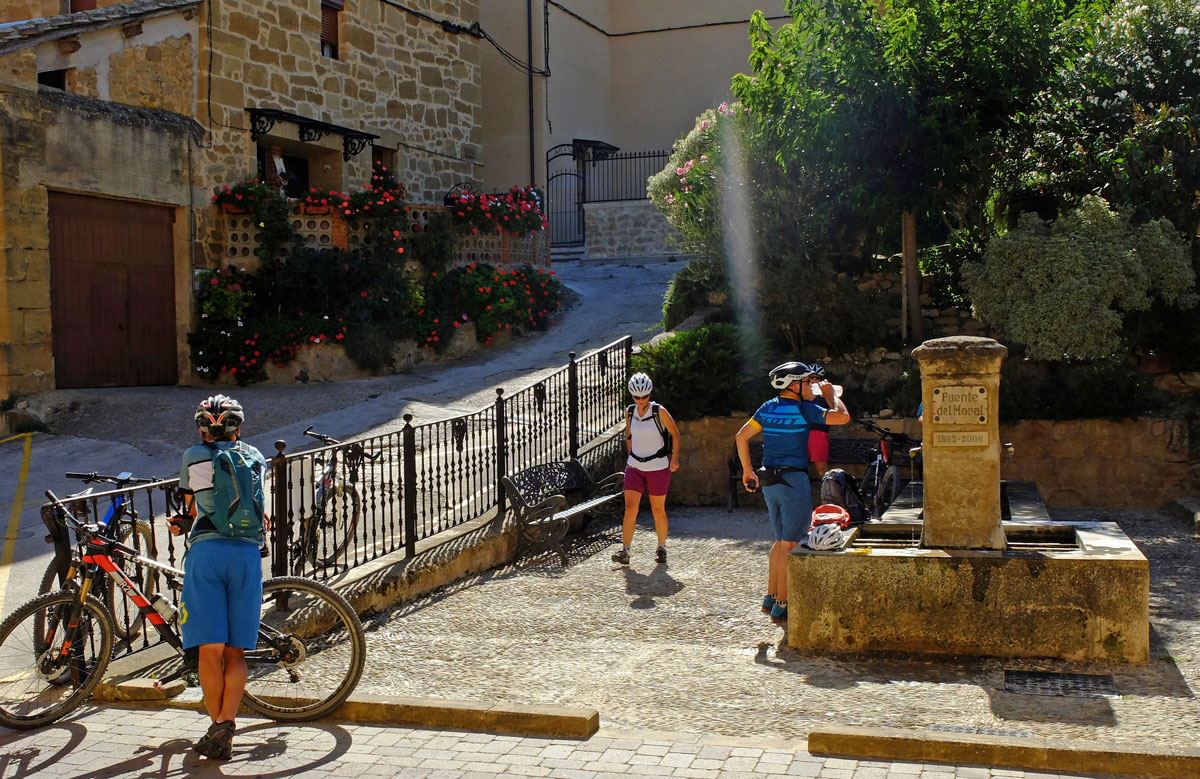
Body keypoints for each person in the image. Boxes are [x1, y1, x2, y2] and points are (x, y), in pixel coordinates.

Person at [169, 394, 268, 761]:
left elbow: (192, 506)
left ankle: (220, 728)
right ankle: (226, 723)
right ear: (237, 428)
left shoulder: (194, 456)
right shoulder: (255, 456)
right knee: (235, 652)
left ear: (202, 430)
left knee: (209, 652)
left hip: (207, 554)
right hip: (245, 554)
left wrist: (181, 523)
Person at [734, 362, 850, 624]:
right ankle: (782, 604)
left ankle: (770, 597)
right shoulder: (805, 409)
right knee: (791, 544)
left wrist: (747, 471)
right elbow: (843, 417)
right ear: (794, 385)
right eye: (808, 382)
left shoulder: (767, 407)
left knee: (779, 541)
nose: (812, 386)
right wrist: (830, 395)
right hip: (793, 482)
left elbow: (741, 436)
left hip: (769, 482)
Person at [612, 372, 681, 566]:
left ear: (650, 394)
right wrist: (630, 457)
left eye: (644, 396)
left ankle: (661, 547)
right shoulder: (630, 412)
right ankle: (625, 551)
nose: (641, 400)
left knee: (657, 509)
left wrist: (675, 458)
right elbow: (629, 435)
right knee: (630, 509)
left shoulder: (659, 411)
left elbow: (675, 434)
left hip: (658, 467)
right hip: (635, 466)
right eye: (637, 397)